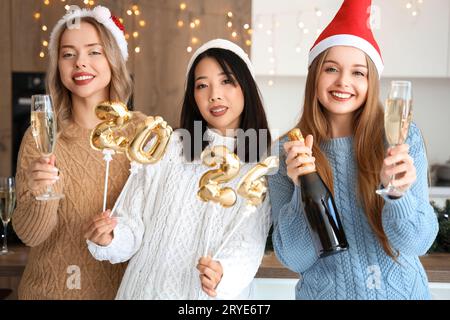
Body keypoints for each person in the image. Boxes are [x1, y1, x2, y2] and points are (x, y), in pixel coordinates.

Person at [268, 0, 438, 300]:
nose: (343, 81)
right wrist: (301, 191)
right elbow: (295, 258)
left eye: (358, 72)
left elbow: (416, 244)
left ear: (371, 81)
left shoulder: (400, 138)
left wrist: (397, 194)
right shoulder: (286, 152)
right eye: (331, 68)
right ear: (315, 76)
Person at [85, 39, 273, 299]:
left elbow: (248, 243)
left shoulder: (261, 165)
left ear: (247, 87)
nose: (214, 94)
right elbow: (132, 221)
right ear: (193, 96)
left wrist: (223, 273)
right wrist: (111, 237)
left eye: (226, 81)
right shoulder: (169, 147)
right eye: (202, 85)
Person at [13, 6, 145, 299]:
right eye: (68, 54)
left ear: (113, 59)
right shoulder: (40, 137)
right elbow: (30, 235)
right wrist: (40, 194)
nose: (80, 63)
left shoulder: (142, 134)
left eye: (94, 52)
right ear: (58, 65)